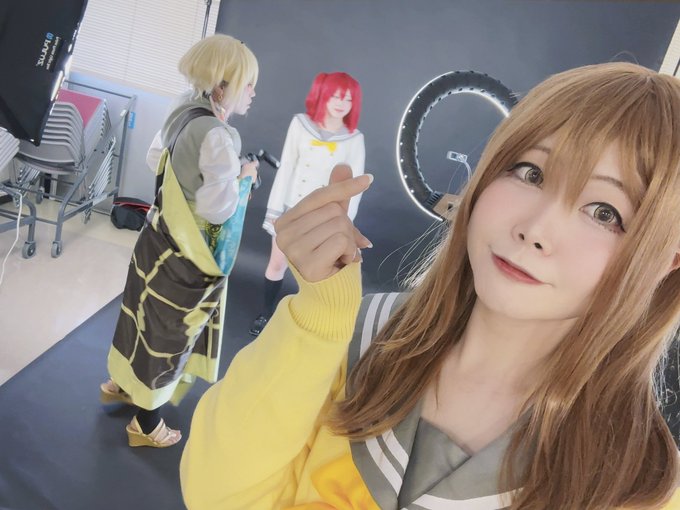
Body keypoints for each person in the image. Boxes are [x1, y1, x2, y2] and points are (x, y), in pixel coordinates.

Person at [180, 62, 680, 508]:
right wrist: (316, 323)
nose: (536, 230)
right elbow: (217, 496)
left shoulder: (638, 480)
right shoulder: (358, 334)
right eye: (531, 173)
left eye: (604, 212)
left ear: (669, 260)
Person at [100, 34, 259, 448]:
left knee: (140, 312)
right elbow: (217, 210)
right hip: (189, 253)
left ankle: (121, 383)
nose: (252, 93)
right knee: (170, 333)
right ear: (222, 87)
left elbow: (155, 159)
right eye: (248, 84)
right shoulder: (221, 136)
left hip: (157, 234)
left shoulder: (182, 107)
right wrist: (243, 178)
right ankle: (146, 424)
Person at [249, 71, 365, 336]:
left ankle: (307, 321)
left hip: (323, 217)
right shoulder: (300, 124)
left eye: (348, 99)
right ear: (323, 94)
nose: (341, 103)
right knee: (277, 263)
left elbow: (354, 188)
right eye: (336, 96)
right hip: (291, 209)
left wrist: (343, 226)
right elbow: (286, 168)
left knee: (314, 271)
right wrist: (275, 211)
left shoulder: (354, 139)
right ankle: (266, 313)